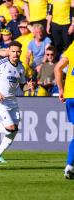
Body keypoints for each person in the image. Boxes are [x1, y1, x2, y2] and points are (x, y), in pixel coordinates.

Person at [54, 41, 74, 179]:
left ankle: (69, 166)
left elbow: (57, 68)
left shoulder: (73, 46)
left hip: (70, 95)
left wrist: (61, 90)